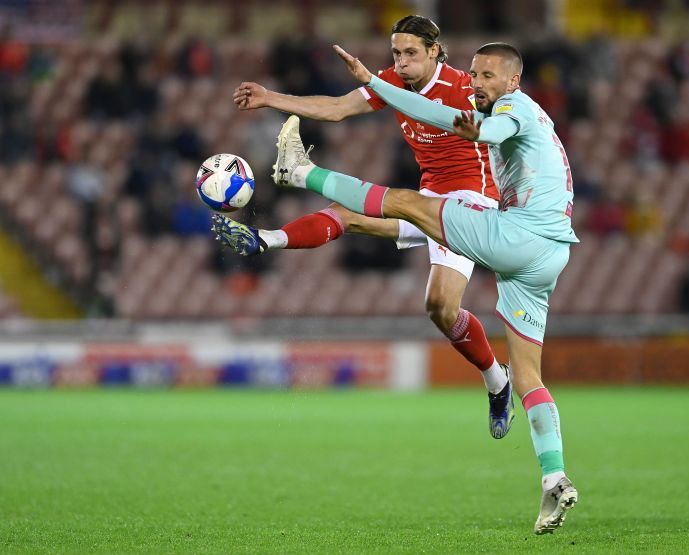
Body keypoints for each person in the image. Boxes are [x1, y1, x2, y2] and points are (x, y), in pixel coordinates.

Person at [242, 41, 580, 535]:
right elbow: (437, 114)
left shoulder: (511, 108)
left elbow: (494, 127)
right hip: (548, 257)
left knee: (404, 202)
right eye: (475, 74)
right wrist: (381, 85)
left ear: (512, 80)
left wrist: (481, 126)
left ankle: (300, 171)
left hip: (516, 233)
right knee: (529, 378)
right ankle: (554, 476)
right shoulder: (513, 110)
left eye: (488, 76)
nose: (479, 82)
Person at [215, 16, 515, 440]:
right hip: (428, 202)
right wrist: (269, 98)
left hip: (472, 204)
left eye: (412, 53)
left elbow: (510, 124)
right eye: (396, 53)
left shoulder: (467, 87)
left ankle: (497, 383)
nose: (402, 62)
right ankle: (266, 239)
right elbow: (337, 109)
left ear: (434, 51)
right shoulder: (391, 82)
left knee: (439, 306)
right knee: (348, 215)